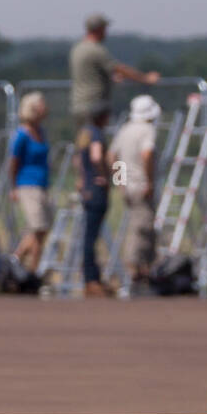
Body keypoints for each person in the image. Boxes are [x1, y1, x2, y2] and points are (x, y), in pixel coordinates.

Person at [108, 94, 161, 293]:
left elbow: (113, 155)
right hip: (141, 186)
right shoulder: (147, 130)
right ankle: (135, 271)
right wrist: (149, 181)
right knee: (141, 229)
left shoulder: (125, 130)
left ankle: (141, 270)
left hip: (129, 187)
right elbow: (147, 154)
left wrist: (120, 181)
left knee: (139, 225)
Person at [69, 14, 160, 126]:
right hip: (93, 104)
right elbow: (118, 68)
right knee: (95, 139)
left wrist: (110, 78)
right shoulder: (95, 50)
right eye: (104, 29)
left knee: (85, 138)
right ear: (99, 29)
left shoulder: (78, 49)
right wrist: (145, 78)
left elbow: (91, 73)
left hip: (79, 104)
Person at [9, 92, 52, 273]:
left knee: (41, 230)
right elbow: (13, 162)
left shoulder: (41, 132)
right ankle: (17, 259)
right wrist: (13, 187)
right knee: (38, 227)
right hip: (27, 185)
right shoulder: (22, 134)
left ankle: (31, 270)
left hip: (42, 184)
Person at [77, 108, 112, 297]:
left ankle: (92, 278)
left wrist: (83, 181)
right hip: (97, 190)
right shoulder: (97, 134)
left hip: (88, 190)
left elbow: (80, 163)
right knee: (91, 237)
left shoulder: (84, 135)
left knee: (88, 237)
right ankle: (92, 280)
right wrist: (103, 175)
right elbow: (97, 156)